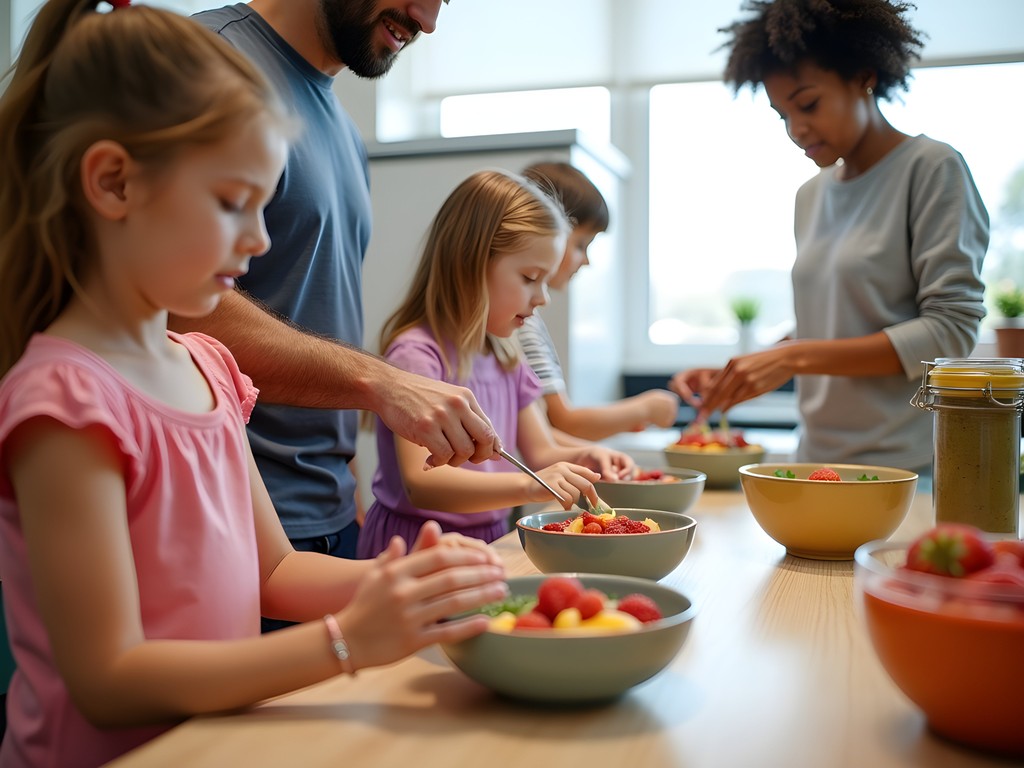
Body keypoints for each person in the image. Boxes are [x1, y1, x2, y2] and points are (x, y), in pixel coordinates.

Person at [0, 3, 506, 765]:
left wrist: (399, 585)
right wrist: (347, 643)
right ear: (112, 183)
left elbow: (273, 571)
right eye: (234, 203)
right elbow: (108, 679)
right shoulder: (65, 402)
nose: (261, 240)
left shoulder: (208, 365)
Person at [168, 1, 499, 589]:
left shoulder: (344, 130)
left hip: (327, 523)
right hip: (229, 530)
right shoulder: (204, 61)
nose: (428, 21)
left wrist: (348, 494)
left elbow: (317, 311)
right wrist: (382, 383)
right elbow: (176, 303)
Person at [670, 0, 988, 472]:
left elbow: (950, 332)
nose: (796, 130)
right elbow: (835, 323)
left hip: (904, 469)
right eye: (781, 115)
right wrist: (752, 369)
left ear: (864, 77)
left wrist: (795, 359)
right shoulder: (811, 195)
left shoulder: (932, 168)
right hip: (815, 464)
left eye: (809, 104)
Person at [357, 170, 636, 558]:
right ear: (470, 265)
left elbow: (541, 451)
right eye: (529, 278)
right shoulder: (417, 357)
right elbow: (422, 484)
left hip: (493, 537)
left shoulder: (506, 357)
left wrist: (586, 455)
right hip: (418, 546)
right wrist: (530, 486)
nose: (543, 298)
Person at [518, 161, 680, 442]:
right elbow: (564, 422)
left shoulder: (527, 319)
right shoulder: (522, 322)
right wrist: (645, 408)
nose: (587, 260)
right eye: (581, 245)